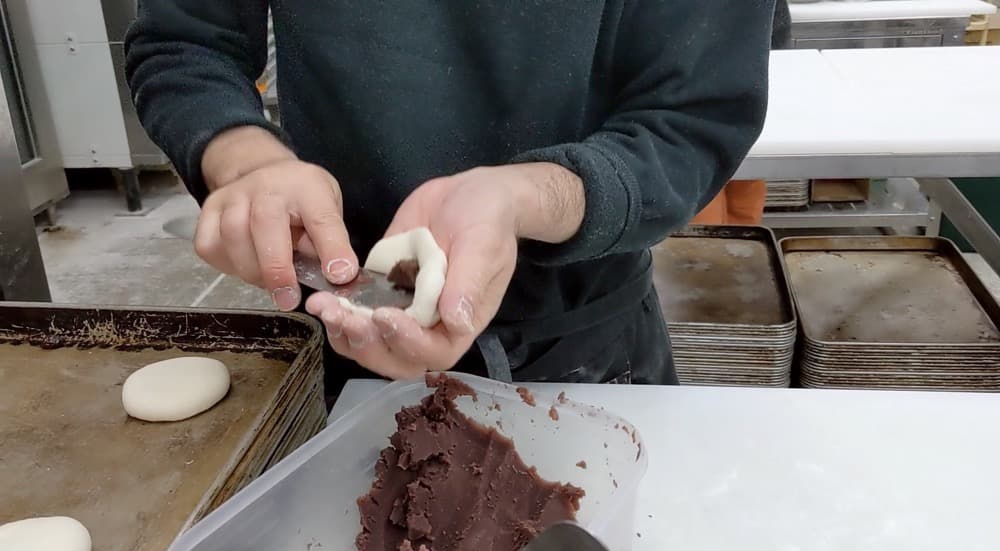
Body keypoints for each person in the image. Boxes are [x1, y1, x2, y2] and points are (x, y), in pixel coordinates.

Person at [125, 1, 775, 397]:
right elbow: (186, 43)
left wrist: (527, 197)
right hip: (349, 322)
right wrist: (246, 160)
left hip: (587, 351)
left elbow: (692, 117)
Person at [691, 0, 791, 226]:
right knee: (704, 215)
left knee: (743, 209)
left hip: (752, 79)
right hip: (694, 99)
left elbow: (776, 27)